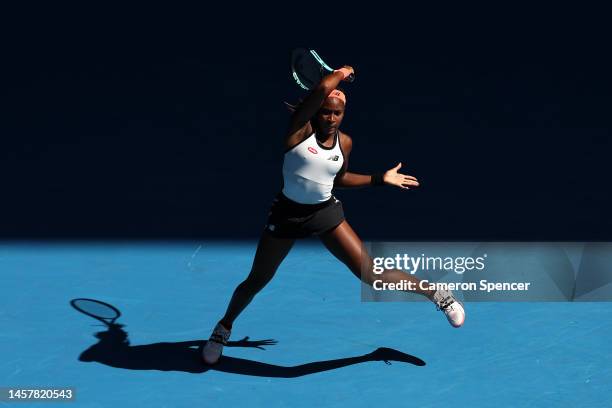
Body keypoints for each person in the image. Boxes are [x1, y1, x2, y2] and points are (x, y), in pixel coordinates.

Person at [202, 65, 465, 365]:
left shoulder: (346, 143)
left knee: (372, 275)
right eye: (326, 111)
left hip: (324, 212)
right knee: (257, 279)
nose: (331, 118)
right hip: (287, 215)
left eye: (337, 113)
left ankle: (437, 294)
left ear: (344, 114)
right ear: (317, 109)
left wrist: (381, 178)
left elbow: (338, 179)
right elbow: (319, 90)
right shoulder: (299, 130)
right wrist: (341, 72)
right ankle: (223, 329)